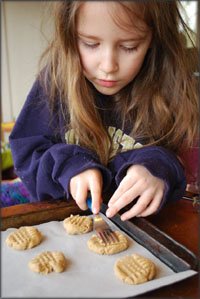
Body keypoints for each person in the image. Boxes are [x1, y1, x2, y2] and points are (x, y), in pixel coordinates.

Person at [9, 1, 198, 221]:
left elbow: (181, 165)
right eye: (90, 44)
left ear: (154, 39)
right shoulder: (54, 83)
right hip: (59, 218)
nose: (108, 66)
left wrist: (157, 170)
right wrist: (69, 165)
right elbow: (27, 155)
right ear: (68, 34)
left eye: (129, 47)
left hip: (140, 230)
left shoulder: (168, 88)